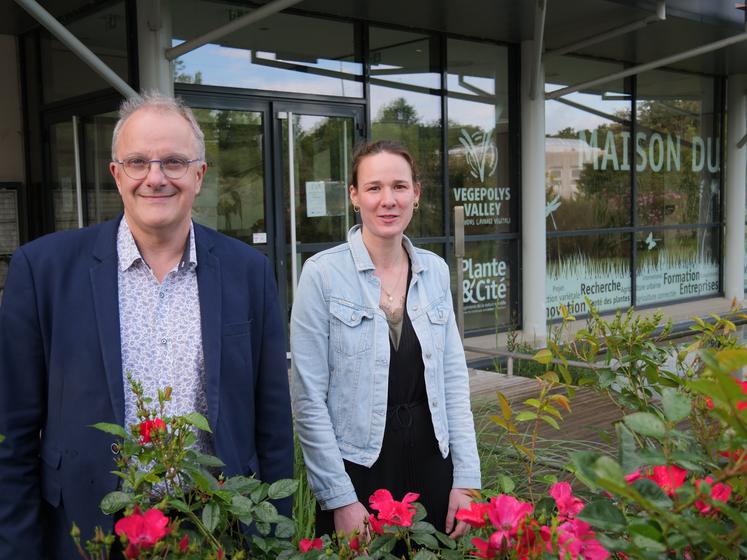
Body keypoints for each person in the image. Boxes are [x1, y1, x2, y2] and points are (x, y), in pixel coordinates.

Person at [0, 92, 293, 558]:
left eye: (174, 162)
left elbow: (273, 424)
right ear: (116, 174)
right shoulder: (43, 271)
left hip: (216, 526)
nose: (155, 178)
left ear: (199, 175)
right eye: (138, 162)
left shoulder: (247, 272)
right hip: (90, 527)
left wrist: (277, 539)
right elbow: (12, 433)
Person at [290, 140, 480, 540]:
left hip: (432, 463)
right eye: (374, 187)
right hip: (358, 471)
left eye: (399, 186)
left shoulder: (435, 271)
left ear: (416, 193)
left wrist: (465, 480)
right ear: (355, 196)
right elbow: (308, 399)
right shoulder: (321, 275)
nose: (388, 200)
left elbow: (453, 381)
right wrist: (340, 498)